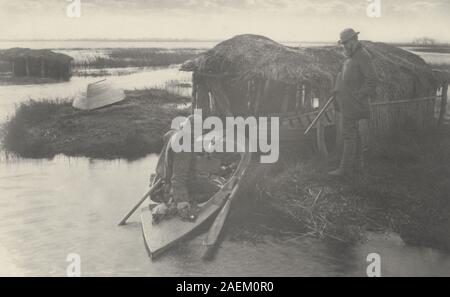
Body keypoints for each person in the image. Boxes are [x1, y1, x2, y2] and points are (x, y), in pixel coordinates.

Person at [329, 28, 378, 178]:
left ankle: (345, 170)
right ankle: (358, 166)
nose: (345, 46)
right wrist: (337, 91)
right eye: (343, 44)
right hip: (348, 103)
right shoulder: (351, 57)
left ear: (355, 40)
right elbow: (343, 77)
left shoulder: (363, 56)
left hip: (354, 103)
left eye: (347, 43)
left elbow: (373, 79)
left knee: (349, 135)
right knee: (354, 134)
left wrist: (359, 95)